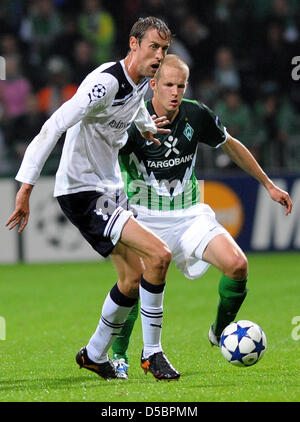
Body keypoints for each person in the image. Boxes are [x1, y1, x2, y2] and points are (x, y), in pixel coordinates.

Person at [6, 17, 181, 382]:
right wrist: (25, 186)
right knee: (159, 255)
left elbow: (131, 108)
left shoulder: (138, 84)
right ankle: (153, 353)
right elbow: (54, 124)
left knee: (132, 277)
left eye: (164, 49)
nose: (159, 55)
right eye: (153, 47)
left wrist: (147, 127)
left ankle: (94, 354)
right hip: (83, 190)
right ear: (133, 44)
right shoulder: (104, 83)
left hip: (110, 187)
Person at [111, 54, 292, 377]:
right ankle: (119, 355)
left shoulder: (196, 114)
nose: (175, 91)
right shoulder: (133, 121)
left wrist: (267, 184)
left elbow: (230, 145)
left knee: (237, 266)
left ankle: (219, 330)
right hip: (145, 219)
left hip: (191, 215)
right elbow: (106, 156)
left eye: (181, 85)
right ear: (152, 85)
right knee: (132, 285)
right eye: (168, 84)